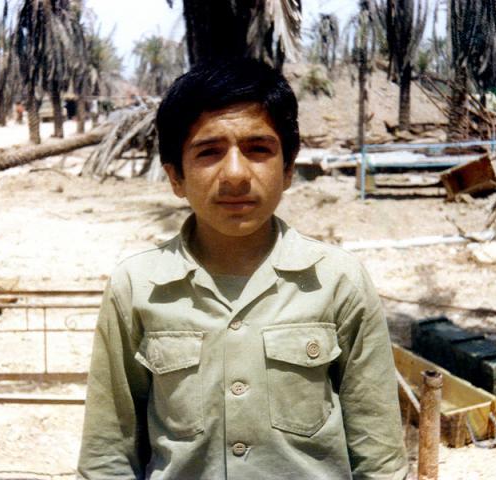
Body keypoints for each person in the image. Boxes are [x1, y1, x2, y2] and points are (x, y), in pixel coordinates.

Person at [76, 57, 409, 480]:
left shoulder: (338, 282)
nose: (235, 174)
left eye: (258, 149)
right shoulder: (137, 287)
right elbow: (107, 456)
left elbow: (379, 460)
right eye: (209, 152)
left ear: (288, 169)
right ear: (176, 177)